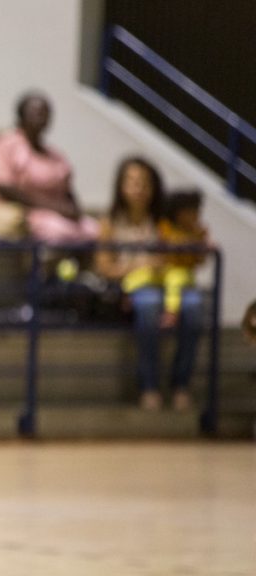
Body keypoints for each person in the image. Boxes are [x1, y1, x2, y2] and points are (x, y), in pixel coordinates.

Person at [94, 158, 201, 412]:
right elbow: (104, 267)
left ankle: (181, 385)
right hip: (133, 288)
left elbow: (184, 254)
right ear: (120, 186)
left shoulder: (164, 221)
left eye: (144, 183)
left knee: (195, 306)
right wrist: (142, 265)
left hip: (168, 283)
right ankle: (149, 385)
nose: (138, 188)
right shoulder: (110, 221)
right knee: (149, 304)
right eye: (131, 182)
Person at [0, 91, 99, 244]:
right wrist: (53, 207)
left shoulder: (55, 155)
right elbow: (3, 187)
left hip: (56, 213)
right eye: (36, 112)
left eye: (46, 113)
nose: (42, 117)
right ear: (21, 115)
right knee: (59, 232)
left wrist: (74, 210)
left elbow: (67, 190)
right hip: (21, 212)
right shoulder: (6, 145)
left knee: (94, 230)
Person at [158, 190, 207, 327]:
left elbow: (201, 260)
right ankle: (127, 297)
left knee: (176, 281)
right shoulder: (166, 227)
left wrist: (200, 246)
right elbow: (166, 244)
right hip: (162, 271)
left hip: (184, 273)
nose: (196, 215)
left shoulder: (199, 232)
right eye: (191, 212)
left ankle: (172, 311)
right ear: (178, 213)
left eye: (197, 211)